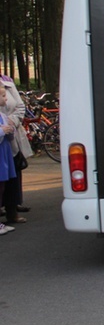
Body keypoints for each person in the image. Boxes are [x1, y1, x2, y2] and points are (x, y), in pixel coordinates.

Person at [1, 75, 33, 218]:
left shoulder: (7, 81)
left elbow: (20, 106)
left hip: (11, 134)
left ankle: (12, 207)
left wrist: (12, 121)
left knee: (13, 171)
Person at [0, 87, 17, 235]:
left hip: (4, 154)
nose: (6, 99)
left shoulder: (2, 115)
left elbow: (10, 136)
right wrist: (2, 131)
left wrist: (11, 130)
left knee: (2, 187)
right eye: (4, 96)